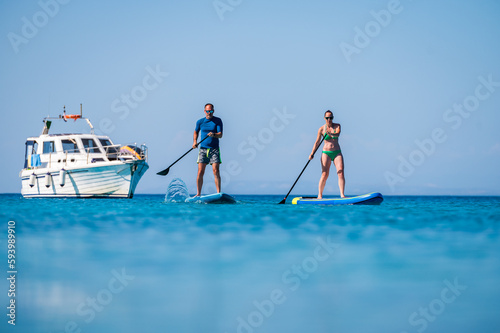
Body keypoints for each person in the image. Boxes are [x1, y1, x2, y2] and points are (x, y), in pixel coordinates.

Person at [309, 110, 345, 199]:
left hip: (337, 152)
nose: (329, 120)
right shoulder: (321, 129)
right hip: (326, 153)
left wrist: (331, 133)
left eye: (331, 118)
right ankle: (319, 195)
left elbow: (337, 134)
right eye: (327, 118)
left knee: (340, 172)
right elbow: (317, 142)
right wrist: (312, 153)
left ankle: (342, 195)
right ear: (324, 118)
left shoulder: (337, 126)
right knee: (325, 174)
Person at [193, 103, 223, 196]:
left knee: (216, 170)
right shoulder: (200, 122)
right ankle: (198, 194)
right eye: (207, 111)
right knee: (200, 171)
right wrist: (194, 141)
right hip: (203, 149)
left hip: (214, 149)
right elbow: (195, 132)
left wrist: (214, 134)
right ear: (204, 111)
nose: (209, 113)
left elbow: (220, 135)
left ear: (213, 111)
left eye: (210, 111)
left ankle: (218, 193)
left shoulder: (218, 121)